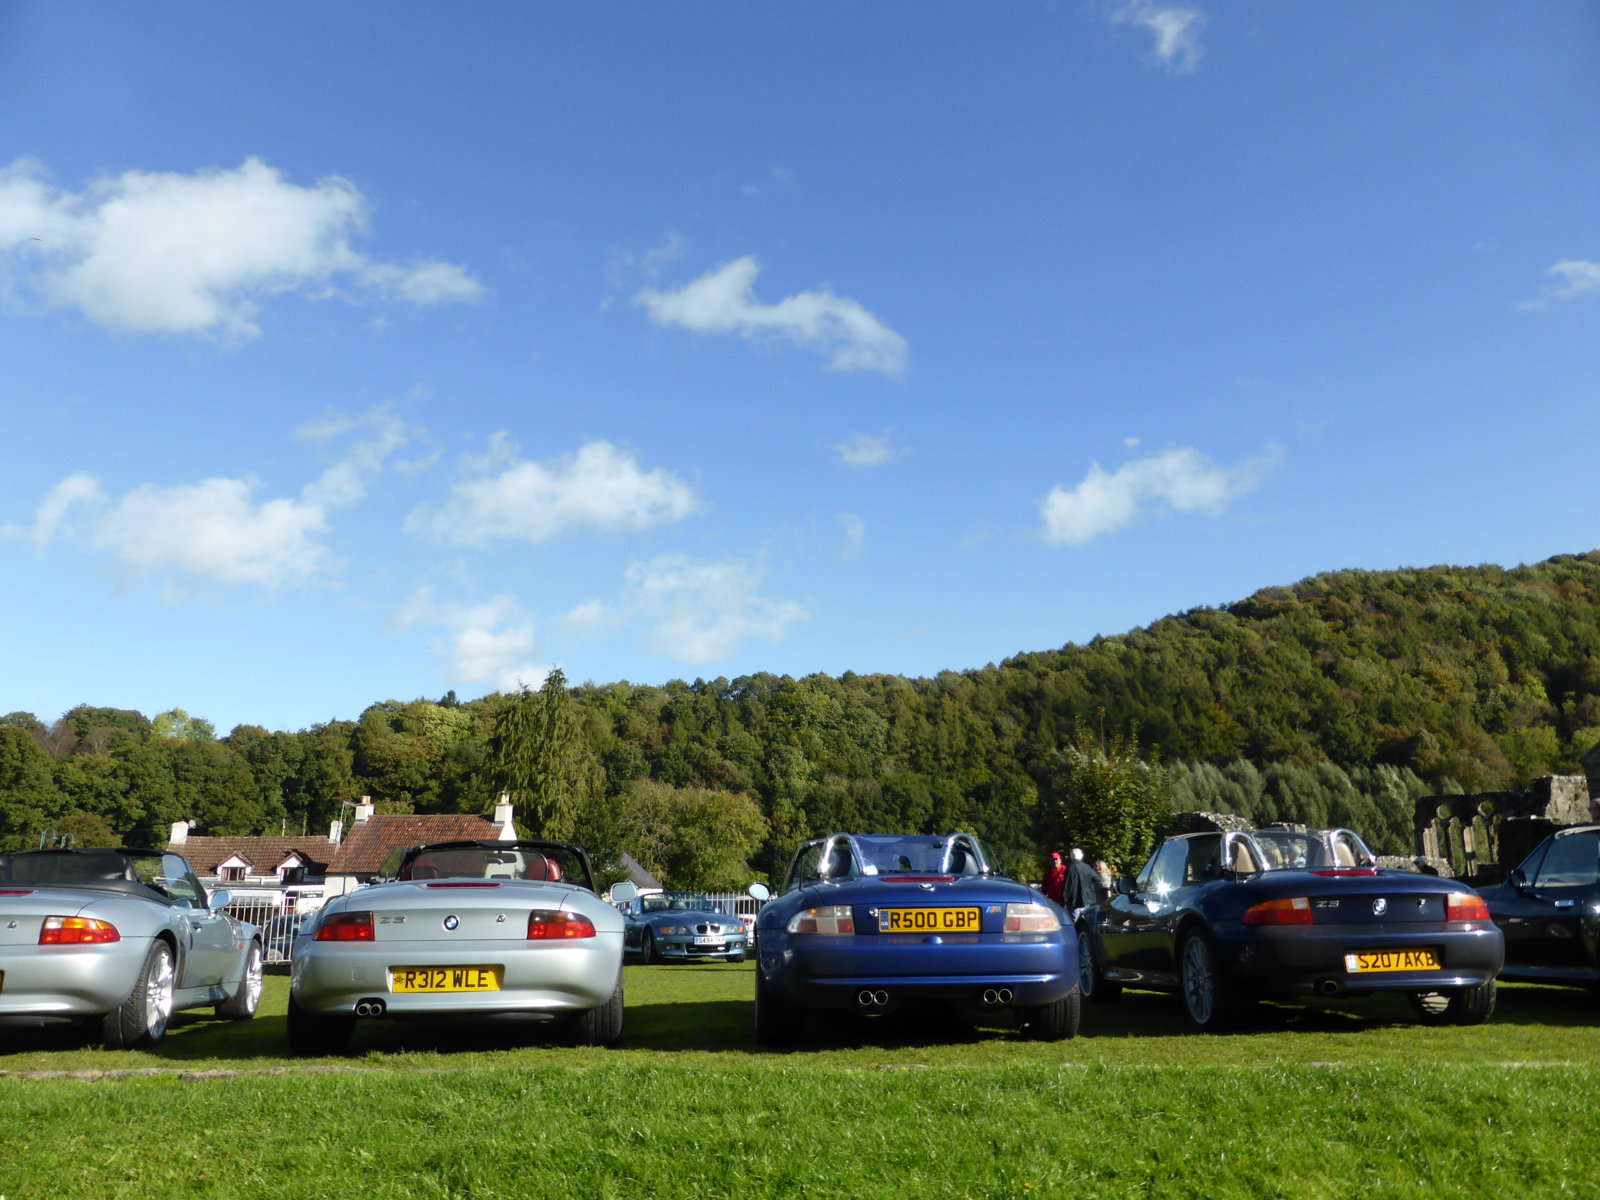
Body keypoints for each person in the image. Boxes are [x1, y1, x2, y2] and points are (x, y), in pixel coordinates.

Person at [1063, 847, 1103, 917]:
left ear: (1071, 856)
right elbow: (1097, 878)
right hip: (1086, 900)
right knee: (1085, 923)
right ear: (1081, 856)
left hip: (1072, 901)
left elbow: (1065, 884)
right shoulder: (1087, 867)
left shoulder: (1068, 867)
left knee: (1074, 924)